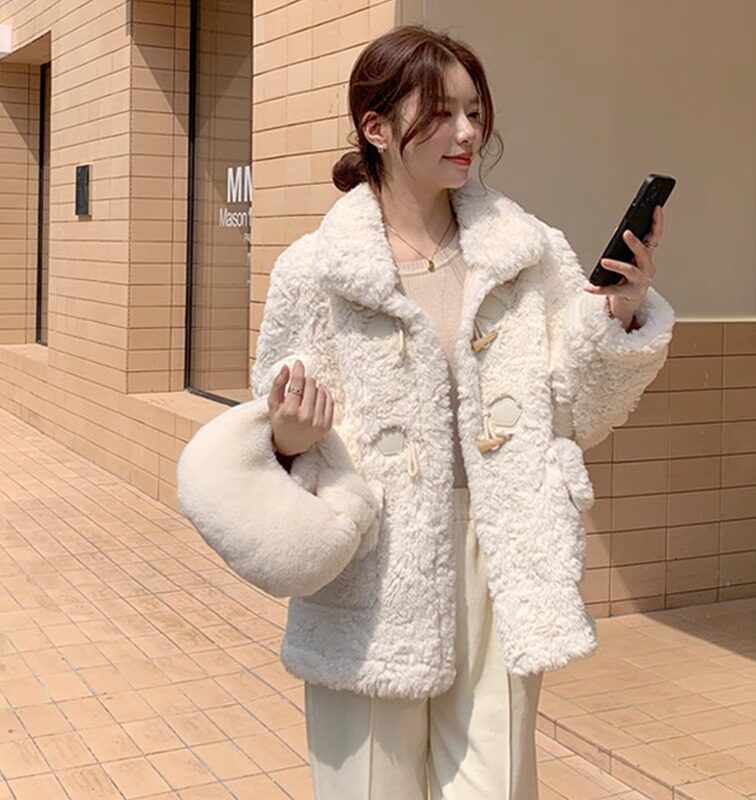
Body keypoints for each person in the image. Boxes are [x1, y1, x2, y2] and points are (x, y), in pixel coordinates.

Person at [180, 22, 675, 800]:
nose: (467, 132)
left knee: (496, 785)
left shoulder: (527, 254)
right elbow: (278, 414)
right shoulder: (315, 271)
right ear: (376, 128)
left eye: (474, 112)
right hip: (373, 568)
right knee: (370, 787)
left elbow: (575, 411)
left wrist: (615, 319)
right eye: (441, 113)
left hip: (498, 551)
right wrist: (289, 438)